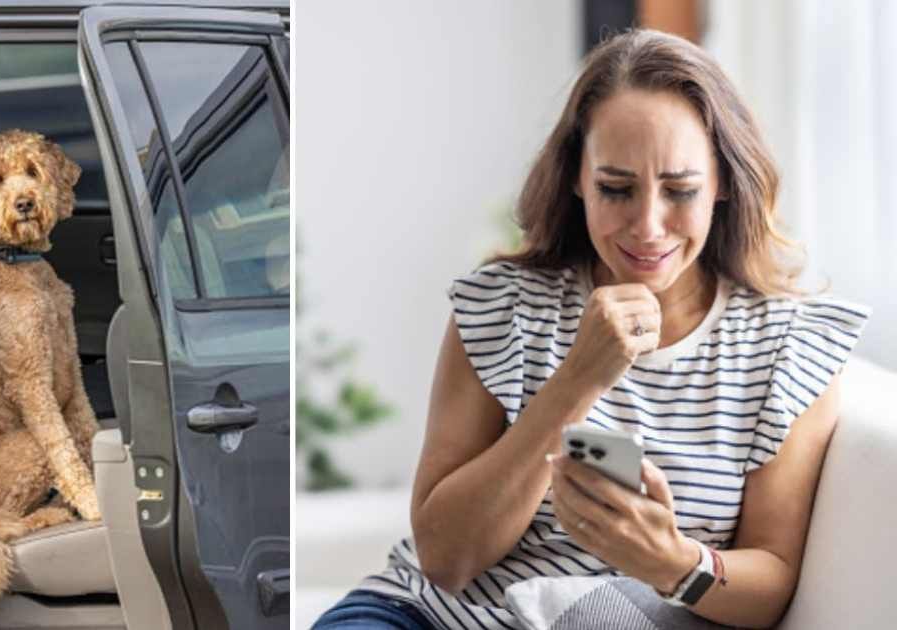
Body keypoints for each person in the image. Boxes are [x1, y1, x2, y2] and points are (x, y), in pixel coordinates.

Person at [312, 29, 871, 629]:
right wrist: (578, 381)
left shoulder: (786, 347)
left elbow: (772, 580)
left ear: (724, 183)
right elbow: (445, 559)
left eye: (680, 190)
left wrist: (674, 563)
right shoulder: (500, 306)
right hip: (427, 616)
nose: (648, 226)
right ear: (577, 178)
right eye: (616, 188)